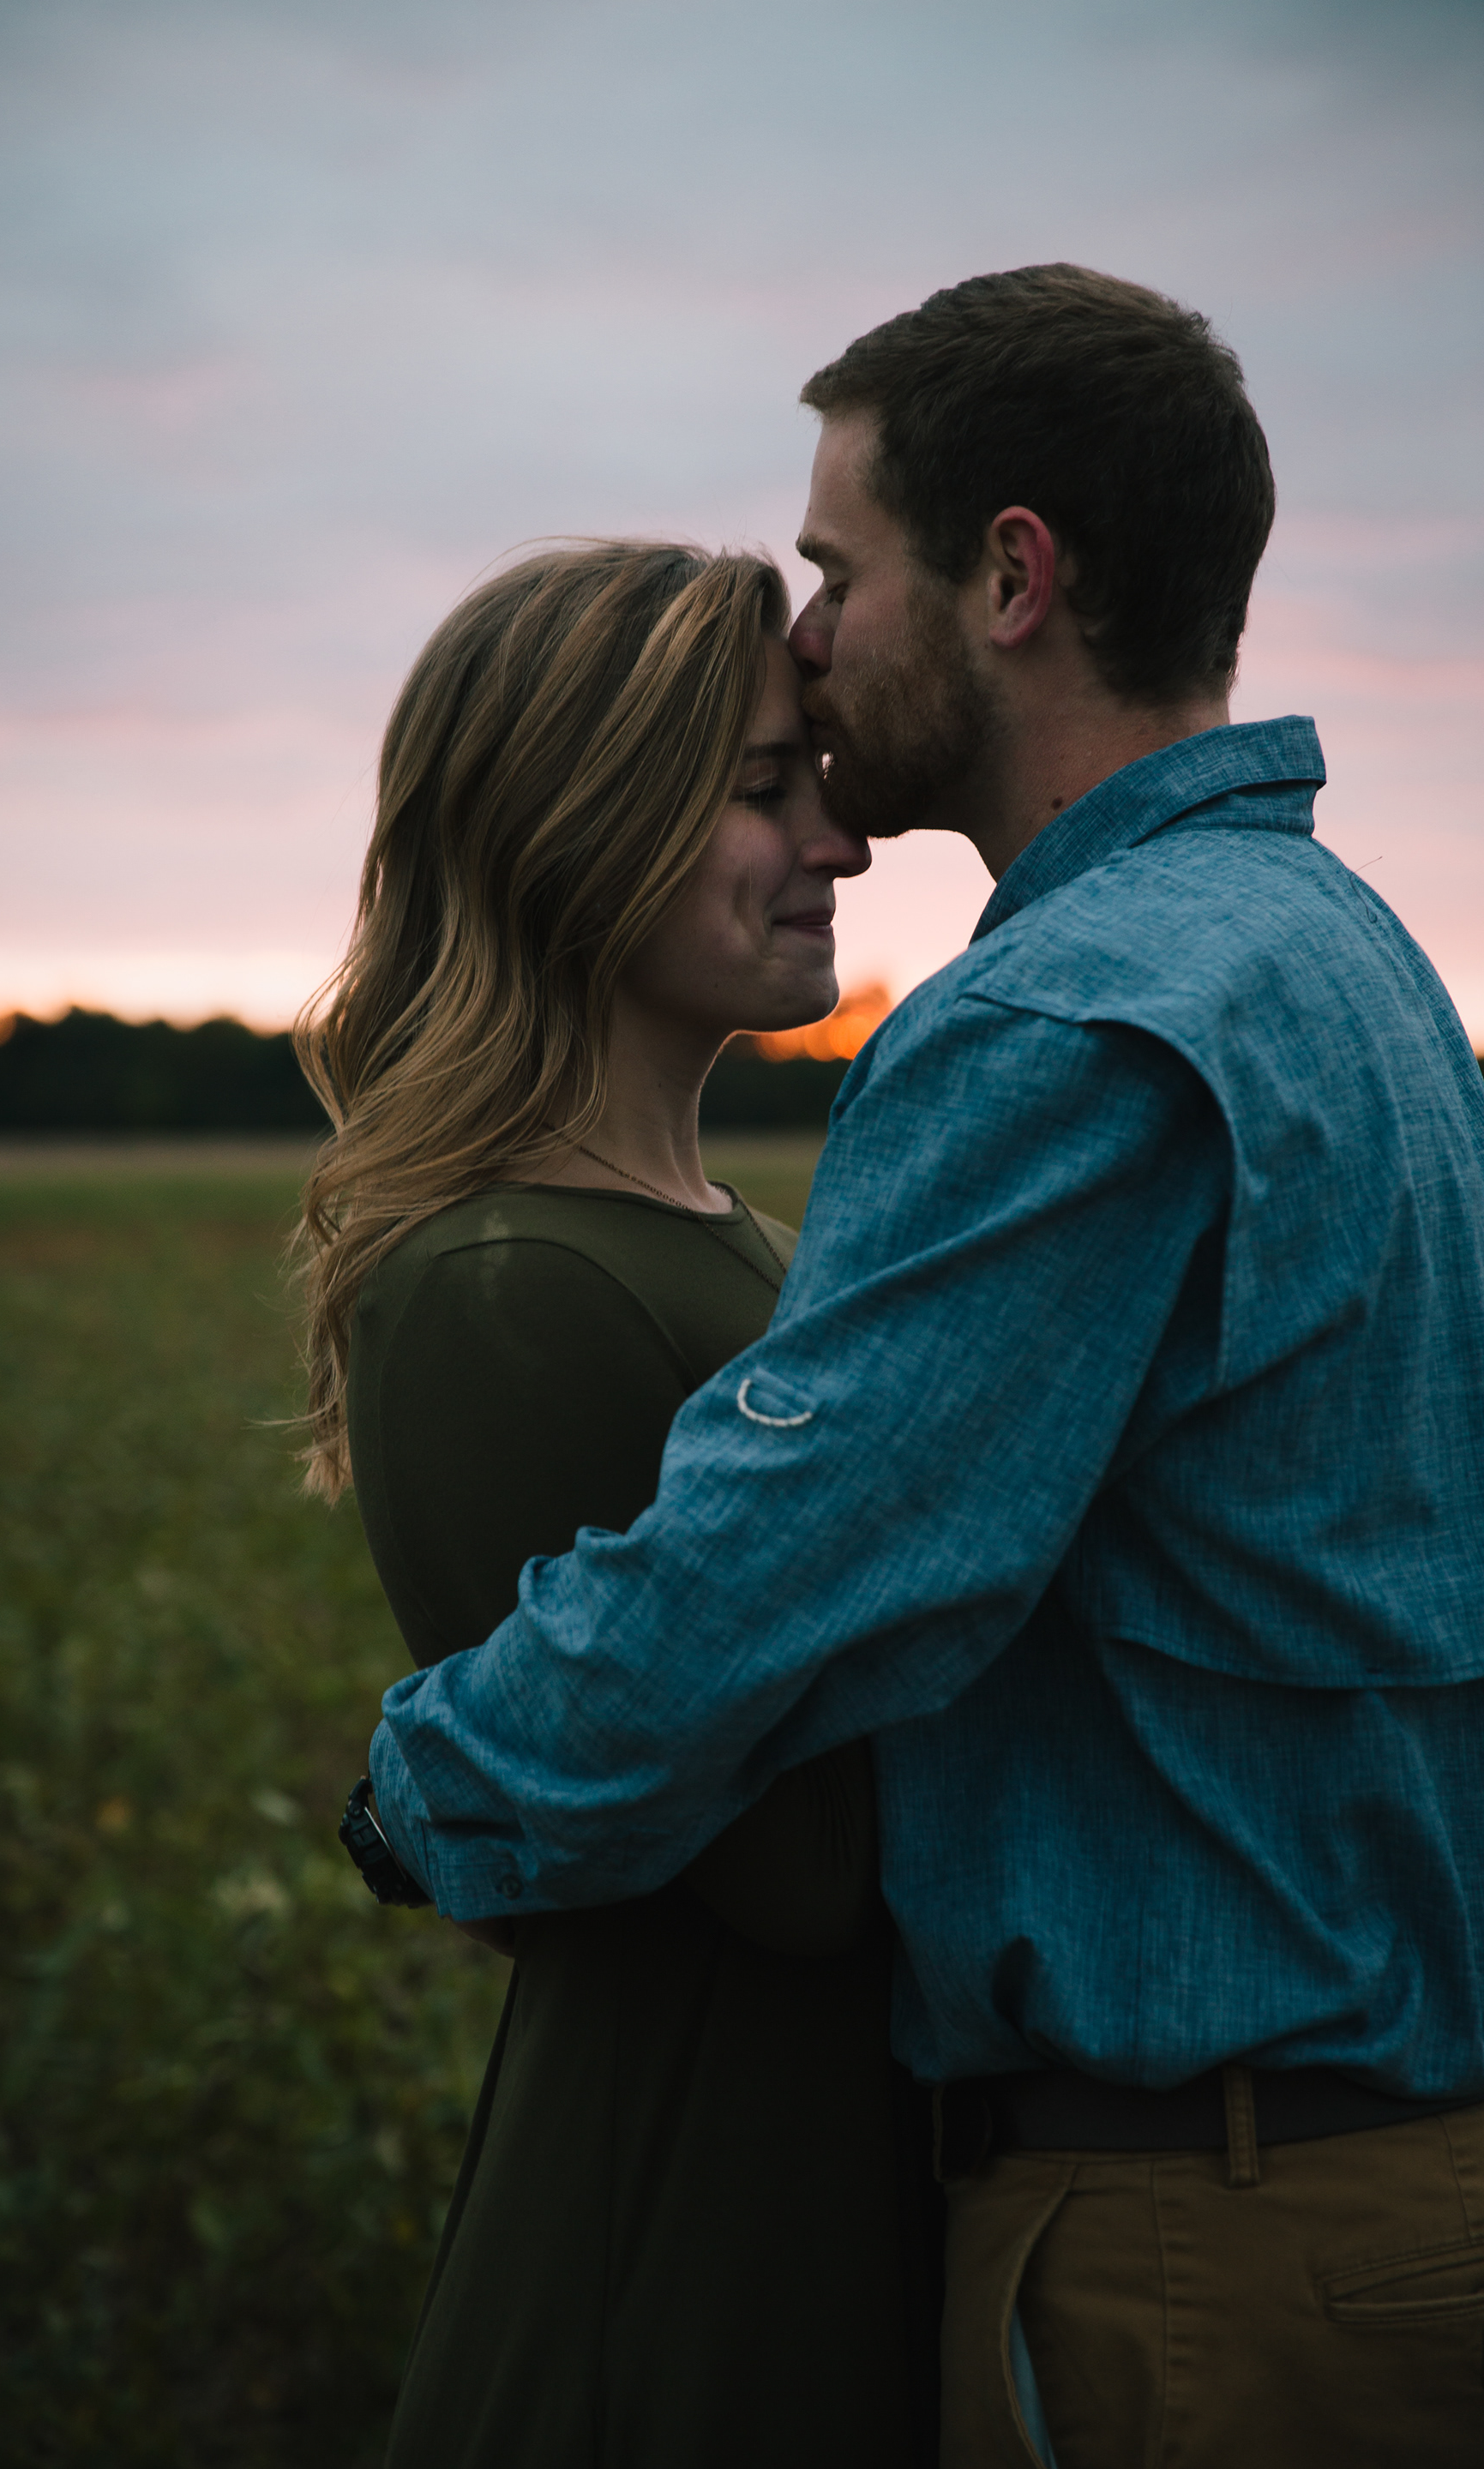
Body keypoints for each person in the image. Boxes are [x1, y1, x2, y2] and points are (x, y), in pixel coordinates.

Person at [363, 266, 1484, 2469]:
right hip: (1369, 2181)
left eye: (834, 570)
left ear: (1010, 575)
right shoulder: (1354, 963)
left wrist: (421, 1800)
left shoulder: (1071, 1020)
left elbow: (786, 1562)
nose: (811, 633)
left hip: (1207, 2248)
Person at [294, 542, 942, 2469]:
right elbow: (801, 1866)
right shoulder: (509, 1286)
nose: (839, 838)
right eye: (764, 788)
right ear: (584, 825)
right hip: (683, 2275)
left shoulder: (735, 1239)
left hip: (832, 2212)